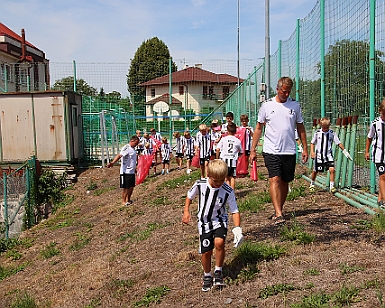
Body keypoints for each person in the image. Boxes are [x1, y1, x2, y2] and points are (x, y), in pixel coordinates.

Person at [249, 77, 309, 225]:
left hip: (289, 150)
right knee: (274, 178)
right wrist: (253, 149)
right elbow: (258, 127)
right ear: (277, 89)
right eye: (283, 92)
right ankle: (278, 213)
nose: (286, 95)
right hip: (271, 149)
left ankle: (279, 209)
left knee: (285, 181)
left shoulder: (295, 106)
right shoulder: (266, 105)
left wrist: (305, 148)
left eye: (288, 92)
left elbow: (300, 127)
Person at [182, 159, 244, 291]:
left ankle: (218, 271)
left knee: (220, 243)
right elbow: (189, 196)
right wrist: (186, 211)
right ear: (208, 174)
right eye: (216, 181)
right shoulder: (200, 184)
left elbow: (234, 210)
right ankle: (207, 275)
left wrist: (238, 229)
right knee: (206, 251)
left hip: (220, 220)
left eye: (222, 180)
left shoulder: (227, 190)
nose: (219, 184)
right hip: (204, 223)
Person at [309, 117, 352, 193]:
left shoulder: (332, 133)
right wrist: (312, 152)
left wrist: (344, 151)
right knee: (315, 171)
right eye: (324, 127)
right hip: (319, 156)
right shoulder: (317, 133)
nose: (325, 129)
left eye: (327, 127)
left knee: (332, 169)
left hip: (328, 156)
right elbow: (312, 143)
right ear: (321, 125)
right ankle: (312, 184)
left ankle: (332, 187)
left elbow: (338, 143)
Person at [106, 135, 140, 206]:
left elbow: (132, 161)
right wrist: (112, 163)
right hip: (126, 172)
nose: (136, 145)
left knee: (131, 186)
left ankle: (128, 199)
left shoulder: (133, 149)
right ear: (132, 141)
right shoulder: (126, 147)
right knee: (126, 187)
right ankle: (123, 201)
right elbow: (119, 155)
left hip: (132, 171)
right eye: (136, 143)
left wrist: (135, 169)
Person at [365, 99, 385, 208]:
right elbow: (369, 137)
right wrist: (366, 151)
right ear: (380, 111)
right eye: (384, 114)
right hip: (379, 155)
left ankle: (380, 198)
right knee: (383, 176)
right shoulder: (375, 123)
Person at [216, 122, 243, 189]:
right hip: (233, 161)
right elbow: (241, 152)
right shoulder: (237, 141)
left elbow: (218, 149)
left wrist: (217, 158)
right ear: (235, 131)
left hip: (224, 160)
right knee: (232, 177)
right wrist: (237, 155)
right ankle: (232, 193)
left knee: (226, 177)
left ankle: (227, 192)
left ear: (227, 131)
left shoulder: (223, 139)